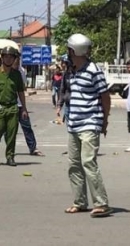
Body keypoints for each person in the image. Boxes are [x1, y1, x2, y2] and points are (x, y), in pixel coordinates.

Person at [62, 33, 112, 217]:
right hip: (74, 124)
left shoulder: (93, 70)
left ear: (76, 50)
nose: (68, 53)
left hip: (90, 123)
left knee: (88, 162)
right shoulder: (72, 70)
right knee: (74, 164)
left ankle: (101, 203)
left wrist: (104, 121)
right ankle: (80, 202)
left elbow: (105, 97)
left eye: (69, 50)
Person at [0, 46, 27, 167]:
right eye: (6, 57)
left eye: (11, 57)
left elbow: (21, 92)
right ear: (2, 58)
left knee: (12, 133)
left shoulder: (17, 75)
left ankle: (10, 156)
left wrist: (24, 108)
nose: (8, 59)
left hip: (13, 107)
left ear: (14, 59)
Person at [12, 52, 44, 156]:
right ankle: (9, 150)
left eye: (18, 58)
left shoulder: (21, 71)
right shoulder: (5, 72)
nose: (17, 60)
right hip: (10, 105)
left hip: (20, 105)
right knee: (10, 129)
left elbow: (23, 89)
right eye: (15, 58)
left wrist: (24, 107)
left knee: (27, 126)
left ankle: (33, 148)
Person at [56, 54, 73, 123]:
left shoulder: (77, 74)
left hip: (77, 106)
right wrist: (59, 106)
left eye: (63, 63)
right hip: (67, 105)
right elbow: (62, 90)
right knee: (70, 129)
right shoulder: (65, 74)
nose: (62, 65)